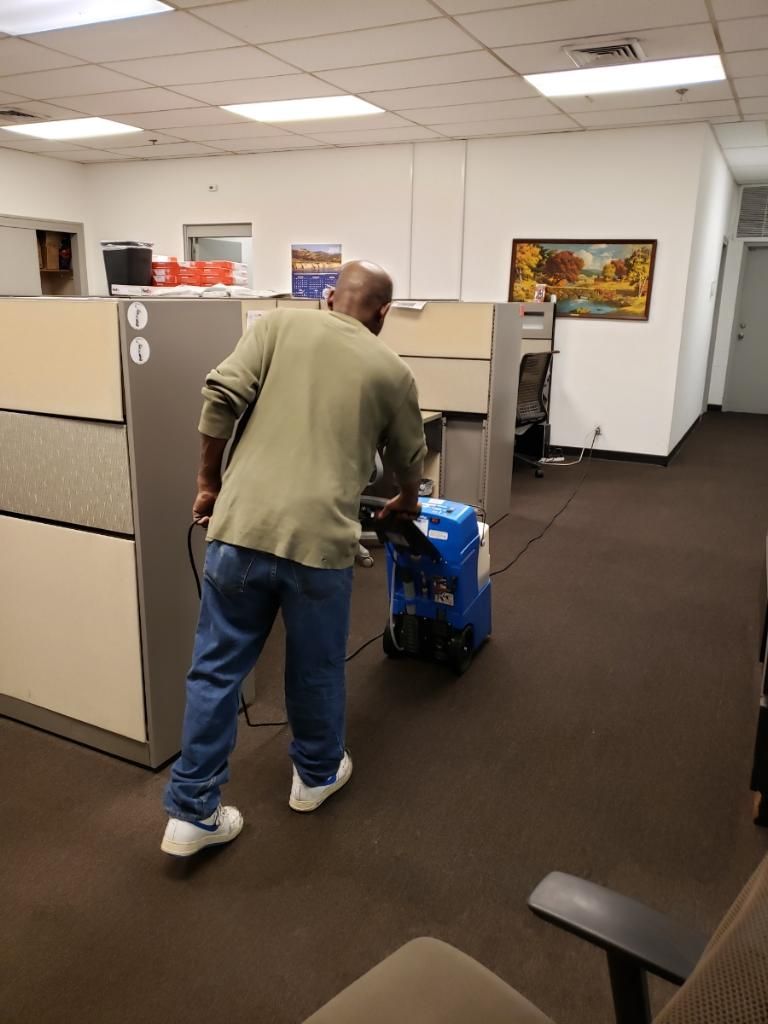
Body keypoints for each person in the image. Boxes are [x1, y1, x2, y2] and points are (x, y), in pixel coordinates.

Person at [161, 261, 427, 857]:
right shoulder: (393, 370)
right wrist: (407, 501)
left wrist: (208, 484)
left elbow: (220, 398)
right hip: (319, 544)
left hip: (239, 531)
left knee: (215, 670)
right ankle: (315, 776)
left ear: (329, 297)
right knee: (315, 667)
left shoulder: (277, 325)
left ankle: (191, 813)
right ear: (384, 312)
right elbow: (410, 457)